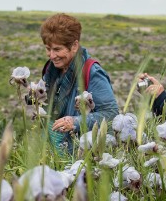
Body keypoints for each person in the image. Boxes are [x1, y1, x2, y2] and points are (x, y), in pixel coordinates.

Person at [39, 13, 119, 151]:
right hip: (52, 151)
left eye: (57, 49)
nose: (52, 55)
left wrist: (75, 122)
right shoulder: (51, 71)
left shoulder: (92, 73)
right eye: (48, 49)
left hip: (80, 156)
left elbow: (111, 114)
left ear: (74, 46)